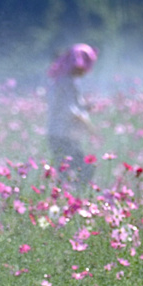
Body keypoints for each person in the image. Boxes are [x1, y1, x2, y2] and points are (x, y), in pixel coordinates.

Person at [46, 43, 97, 185]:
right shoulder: (66, 82)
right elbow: (70, 111)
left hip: (59, 134)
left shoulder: (63, 80)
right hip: (62, 135)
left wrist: (85, 107)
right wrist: (89, 126)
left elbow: (70, 106)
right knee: (82, 169)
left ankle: (68, 197)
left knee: (69, 170)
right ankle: (73, 198)